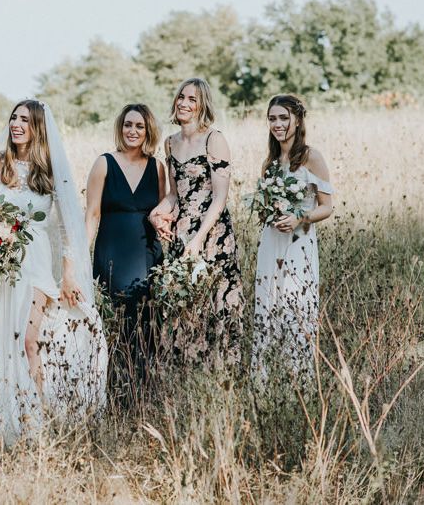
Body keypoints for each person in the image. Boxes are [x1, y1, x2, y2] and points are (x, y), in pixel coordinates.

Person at [0, 100, 107, 446]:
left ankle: (33, 425)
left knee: (28, 341)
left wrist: (68, 275)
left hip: (35, 264)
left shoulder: (50, 171)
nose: (17, 124)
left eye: (25, 119)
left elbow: (68, 228)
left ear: (39, 128)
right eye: (14, 117)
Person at [149, 78, 243, 366]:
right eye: (181, 97)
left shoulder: (214, 139)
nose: (184, 104)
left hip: (212, 234)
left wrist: (199, 237)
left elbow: (219, 198)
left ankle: (221, 372)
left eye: (192, 99)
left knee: (216, 301)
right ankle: (187, 371)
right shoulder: (170, 143)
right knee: (184, 305)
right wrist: (154, 215)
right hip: (181, 235)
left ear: (202, 105)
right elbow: (175, 196)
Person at [252, 95, 333, 380]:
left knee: (295, 307)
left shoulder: (311, 157)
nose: (278, 124)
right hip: (272, 240)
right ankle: (265, 379)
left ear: (297, 120)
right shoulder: (270, 162)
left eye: (283, 118)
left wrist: (300, 217)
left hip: (300, 242)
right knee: (268, 303)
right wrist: (268, 211)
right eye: (272, 118)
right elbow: (266, 203)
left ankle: (298, 380)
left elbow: (327, 207)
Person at [86, 104, 165, 324]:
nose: (133, 131)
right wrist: (80, 257)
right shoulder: (104, 163)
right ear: (120, 128)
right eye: (128, 124)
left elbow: (160, 211)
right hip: (111, 253)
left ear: (148, 131)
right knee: (113, 318)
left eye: (140, 126)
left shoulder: (157, 167)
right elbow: (92, 215)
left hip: (146, 255)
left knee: (147, 321)